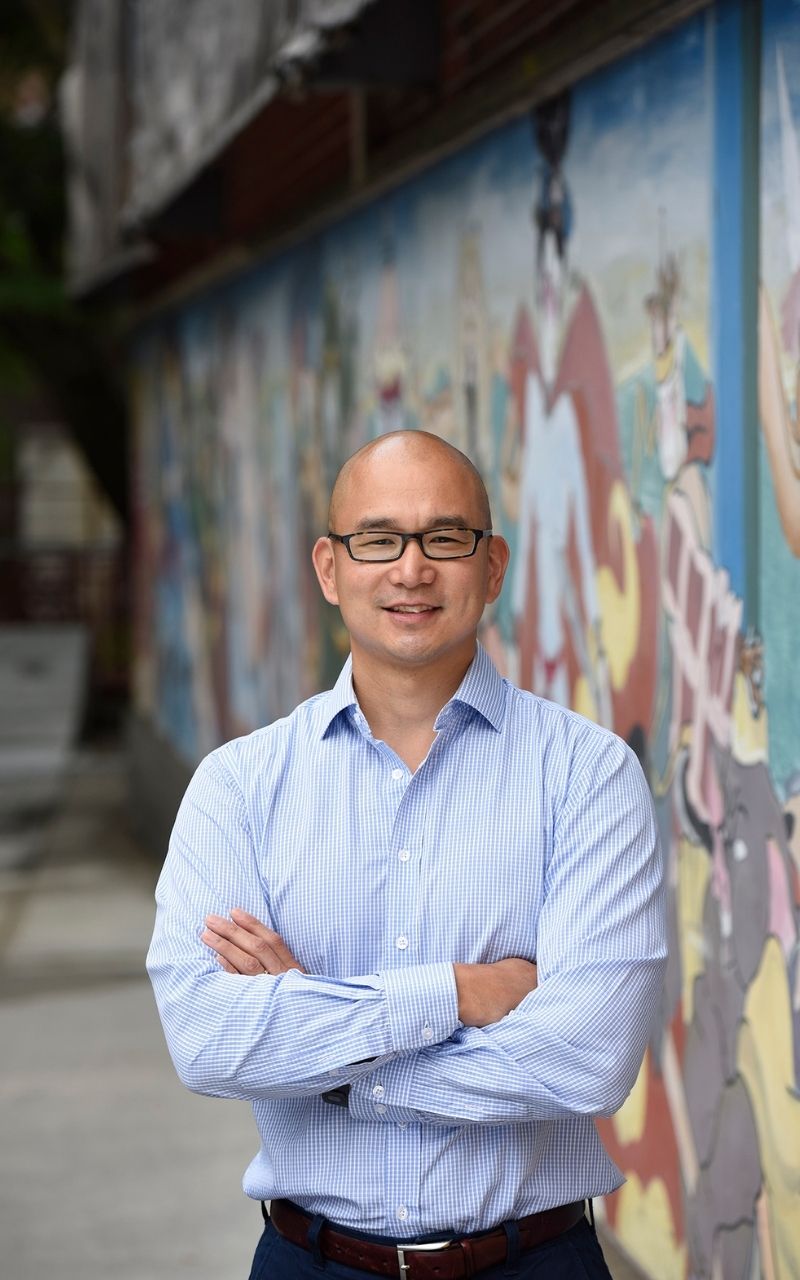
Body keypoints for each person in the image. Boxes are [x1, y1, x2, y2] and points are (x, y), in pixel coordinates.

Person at [147, 429, 666, 1279]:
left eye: (445, 537)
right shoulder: (238, 787)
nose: (411, 569)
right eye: (378, 539)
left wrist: (327, 1057)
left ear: (492, 566)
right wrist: (458, 992)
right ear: (330, 568)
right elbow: (210, 1041)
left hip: (534, 1262)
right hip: (310, 1263)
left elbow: (587, 1060)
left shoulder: (586, 775)